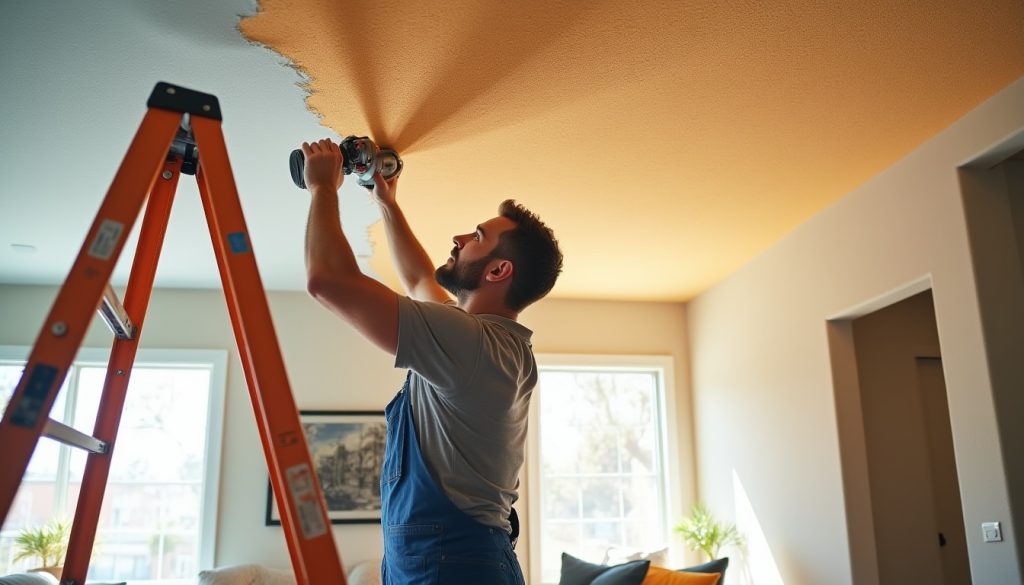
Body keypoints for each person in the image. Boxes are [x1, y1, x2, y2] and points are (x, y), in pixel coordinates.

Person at [300, 138, 563, 584]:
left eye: (477, 237)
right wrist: (386, 202)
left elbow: (328, 281)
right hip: (450, 562)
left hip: (454, 566)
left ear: (498, 271)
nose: (459, 239)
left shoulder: (472, 344)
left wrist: (323, 188)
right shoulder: (486, 342)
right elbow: (420, 278)